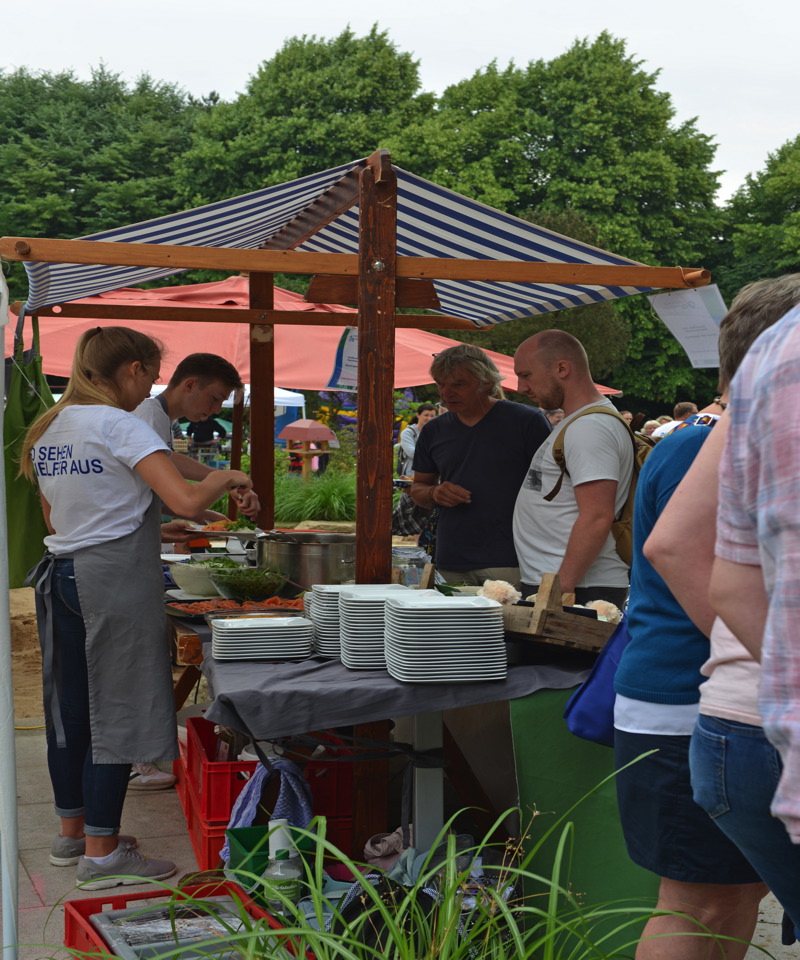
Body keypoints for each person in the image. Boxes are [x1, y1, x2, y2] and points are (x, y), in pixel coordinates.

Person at [22, 327, 253, 888]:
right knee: (117, 714)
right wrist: (227, 475)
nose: (150, 386)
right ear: (130, 369)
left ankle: (72, 835)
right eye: (149, 374)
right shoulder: (118, 423)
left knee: (72, 715)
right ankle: (103, 856)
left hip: (63, 576)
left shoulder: (52, 427)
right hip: (113, 583)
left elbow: (60, 520)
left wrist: (146, 522)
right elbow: (188, 497)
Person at [634, 276, 800, 950]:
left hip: (717, 707)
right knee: (699, 905)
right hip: (712, 700)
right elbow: (674, 548)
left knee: (708, 905)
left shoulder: (727, 419)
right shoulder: (702, 438)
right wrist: (775, 659)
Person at [409, 344, 550, 587]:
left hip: (514, 558)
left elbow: (549, 487)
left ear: (485, 382)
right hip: (451, 558)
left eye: (458, 384)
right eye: (440, 384)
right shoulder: (433, 430)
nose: (446, 392)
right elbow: (419, 488)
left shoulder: (526, 422)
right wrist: (434, 493)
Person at [512, 330, 632, 605]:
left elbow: (597, 517)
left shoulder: (590, 427)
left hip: (577, 588)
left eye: (526, 375)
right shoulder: (583, 422)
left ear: (562, 368)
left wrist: (556, 592)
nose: (521, 388)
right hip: (566, 583)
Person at [135, 354, 260, 522]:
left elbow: (168, 461)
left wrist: (225, 487)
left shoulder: (159, 417)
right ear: (190, 385)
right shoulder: (150, 414)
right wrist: (225, 479)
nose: (217, 409)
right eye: (215, 398)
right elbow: (185, 500)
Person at [397, 403, 437, 478]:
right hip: (412, 474)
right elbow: (413, 453)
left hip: (432, 474)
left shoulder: (436, 433)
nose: (429, 418)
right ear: (418, 415)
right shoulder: (408, 432)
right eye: (426, 415)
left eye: (432, 416)